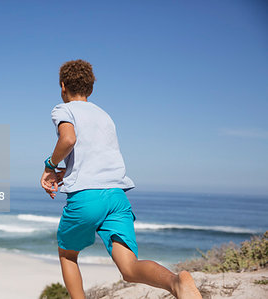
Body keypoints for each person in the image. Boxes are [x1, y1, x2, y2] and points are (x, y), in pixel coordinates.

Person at [40, 59, 202, 299]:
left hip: (87, 198)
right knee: (129, 268)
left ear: (63, 86)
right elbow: (95, 158)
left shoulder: (64, 109)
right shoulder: (105, 116)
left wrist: (50, 166)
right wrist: (70, 170)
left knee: (68, 254)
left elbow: (68, 140)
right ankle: (176, 282)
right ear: (91, 89)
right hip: (116, 196)